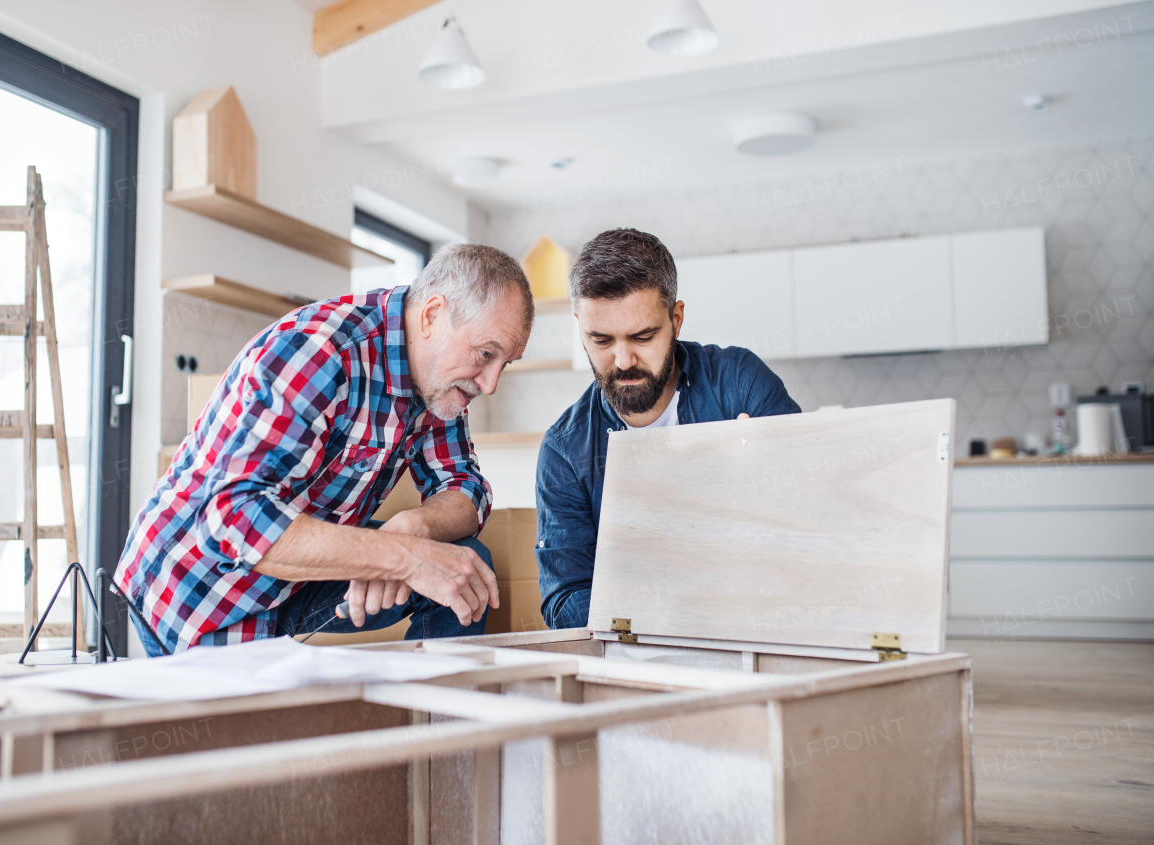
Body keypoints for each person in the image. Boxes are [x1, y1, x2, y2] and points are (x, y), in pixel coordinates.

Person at [116, 243, 534, 655]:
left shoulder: (442, 381)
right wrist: (399, 556)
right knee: (258, 724)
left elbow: (467, 487)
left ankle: (435, 713)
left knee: (464, 563)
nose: (490, 383)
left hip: (293, 581)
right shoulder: (319, 350)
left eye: (505, 363)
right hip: (198, 589)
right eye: (485, 354)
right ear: (431, 316)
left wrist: (414, 529)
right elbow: (237, 520)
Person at [536, 228, 801, 629]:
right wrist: (675, 604)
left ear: (675, 319)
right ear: (580, 327)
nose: (622, 360)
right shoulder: (565, 451)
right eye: (601, 339)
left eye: (642, 336)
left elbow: (815, 525)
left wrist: (759, 479)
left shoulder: (740, 383)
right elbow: (565, 601)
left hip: (762, 626)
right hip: (643, 653)